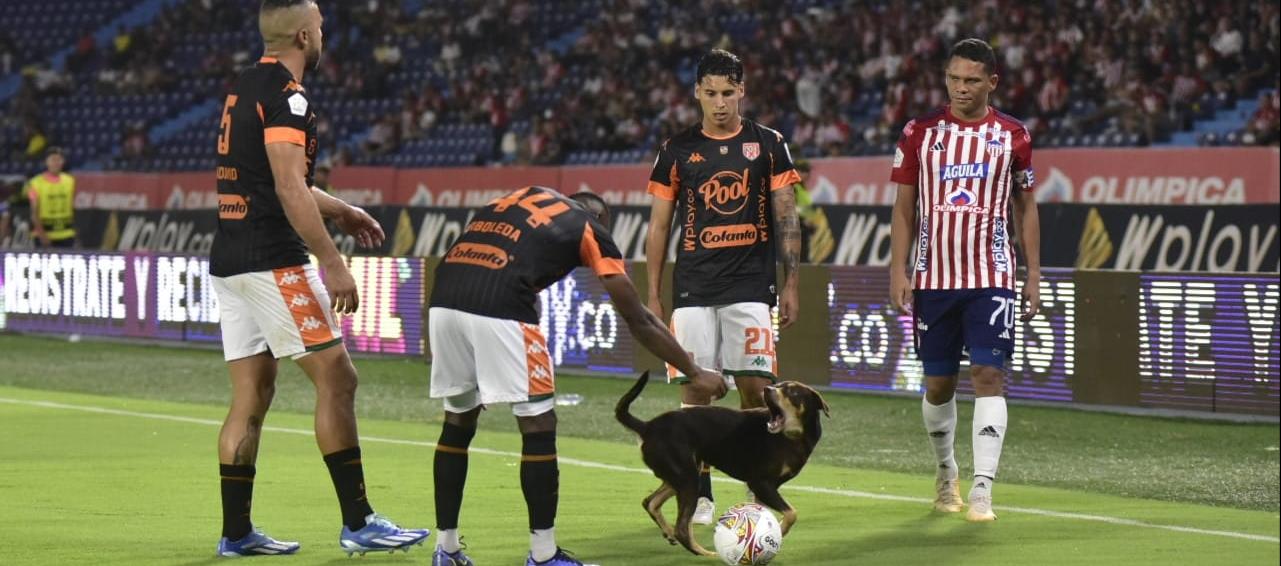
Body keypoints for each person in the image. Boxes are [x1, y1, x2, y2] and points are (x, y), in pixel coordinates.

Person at [208, 0, 428, 557]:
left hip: (230, 259)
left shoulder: (243, 86)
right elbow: (286, 186)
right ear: (305, 35)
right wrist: (331, 261)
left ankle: (237, 534)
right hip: (274, 260)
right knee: (338, 378)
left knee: (249, 399)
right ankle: (359, 521)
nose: (324, 33)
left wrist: (341, 209)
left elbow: (271, 179)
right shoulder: (290, 97)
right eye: (322, 26)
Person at [427, 186, 728, 566]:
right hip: (502, 306)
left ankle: (447, 549)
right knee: (537, 424)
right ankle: (544, 554)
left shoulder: (511, 200)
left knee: (457, 422)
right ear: (600, 218)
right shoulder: (590, 227)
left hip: (443, 300)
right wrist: (694, 371)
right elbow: (638, 319)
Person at [643, 48, 802, 525]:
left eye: (728, 93)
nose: (719, 103)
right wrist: (652, 292)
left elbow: (787, 216)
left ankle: (757, 490)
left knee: (755, 394)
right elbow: (658, 226)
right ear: (696, 92)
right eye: (710, 93)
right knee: (698, 394)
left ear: (742, 91)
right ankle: (702, 493)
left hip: (752, 288)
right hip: (693, 288)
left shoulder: (769, 144)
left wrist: (791, 283)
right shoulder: (675, 150)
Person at [888, 38, 1041, 523]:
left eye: (972, 80)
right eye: (954, 79)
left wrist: (1033, 272)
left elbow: (1026, 205)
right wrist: (898, 269)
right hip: (934, 277)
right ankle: (946, 470)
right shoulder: (920, 133)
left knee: (989, 375)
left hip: (992, 274)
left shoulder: (1014, 136)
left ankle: (982, 489)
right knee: (938, 385)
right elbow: (903, 207)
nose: (960, 88)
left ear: (992, 82)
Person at [27, 147, 76, 248]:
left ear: (63, 161)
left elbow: (74, 207)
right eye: (53, 159)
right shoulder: (35, 183)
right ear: (46, 162)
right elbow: (34, 213)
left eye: (59, 159)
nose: (56, 163)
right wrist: (42, 236)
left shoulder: (70, 181)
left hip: (66, 234)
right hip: (44, 236)